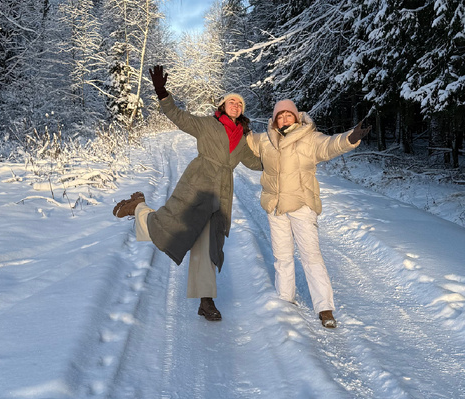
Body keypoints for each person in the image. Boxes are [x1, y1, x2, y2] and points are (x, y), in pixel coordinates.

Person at [113, 65, 262, 322]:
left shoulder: (243, 137)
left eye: (240, 103)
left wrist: (284, 159)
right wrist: (162, 92)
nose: (236, 105)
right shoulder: (207, 124)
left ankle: (206, 301)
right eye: (231, 101)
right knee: (170, 226)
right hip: (197, 186)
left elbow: (255, 162)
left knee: (208, 245)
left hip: (221, 194)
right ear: (222, 105)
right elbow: (178, 116)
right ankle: (138, 207)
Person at [246, 99, 369, 328]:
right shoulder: (266, 140)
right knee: (282, 257)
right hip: (276, 206)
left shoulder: (310, 138)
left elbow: (330, 145)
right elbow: (247, 141)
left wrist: (350, 138)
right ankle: (285, 301)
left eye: (288, 115)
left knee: (311, 257)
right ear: (274, 120)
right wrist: (239, 126)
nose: (284, 119)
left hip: (302, 206)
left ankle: (324, 308)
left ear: (297, 117)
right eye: (279, 116)